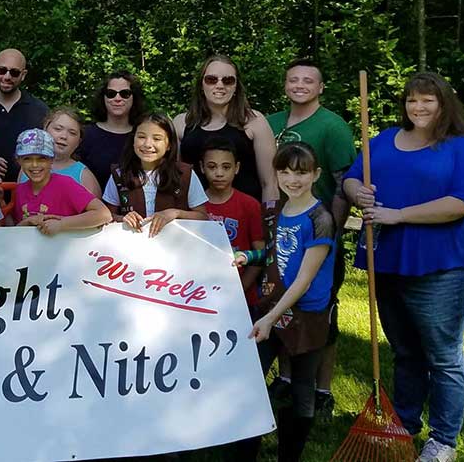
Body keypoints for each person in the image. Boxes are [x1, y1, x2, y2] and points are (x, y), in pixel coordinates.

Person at [343, 72, 464, 462]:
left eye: (428, 100)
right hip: (388, 259)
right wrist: (355, 191)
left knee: (443, 356)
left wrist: (399, 215)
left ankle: (443, 440)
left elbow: (463, 203)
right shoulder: (383, 141)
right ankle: (406, 424)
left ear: (445, 103)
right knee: (406, 351)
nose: (419, 107)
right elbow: (350, 177)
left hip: (441, 265)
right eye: (412, 100)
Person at [233, 142, 335, 462]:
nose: (292, 179)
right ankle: (245, 450)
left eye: (301, 173)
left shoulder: (321, 219)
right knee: (251, 379)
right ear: (276, 173)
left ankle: (289, 455)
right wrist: (247, 255)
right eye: (285, 171)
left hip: (306, 315)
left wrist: (270, 318)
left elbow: (304, 280)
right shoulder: (277, 210)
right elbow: (273, 253)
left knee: (303, 389)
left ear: (315, 175)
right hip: (272, 308)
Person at [266, 59, 356, 415]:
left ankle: (322, 388)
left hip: (316, 231)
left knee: (321, 312)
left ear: (320, 87)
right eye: (293, 79)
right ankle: (287, 378)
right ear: (285, 84)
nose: (300, 85)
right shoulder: (271, 123)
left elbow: (342, 185)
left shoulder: (332, 126)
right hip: (282, 226)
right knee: (286, 306)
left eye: (309, 80)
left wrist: (328, 230)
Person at [174, 54, 278, 202]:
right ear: (201, 85)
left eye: (228, 80)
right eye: (211, 79)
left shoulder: (254, 121)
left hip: (245, 216)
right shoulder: (181, 123)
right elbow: (174, 180)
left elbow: (270, 183)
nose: (220, 85)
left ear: (236, 86)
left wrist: (269, 220)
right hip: (196, 218)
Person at [105, 112, 209, 236]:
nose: (148, 144)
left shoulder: (185, 174)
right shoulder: (120, 174)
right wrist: (123, 219)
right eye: (142, 137)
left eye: (157, 138)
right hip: (131, 245)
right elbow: (107, 216)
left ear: (169, 144)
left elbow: (202, 217)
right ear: (133, 140)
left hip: (174, 246)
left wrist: (176, 213)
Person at [202, 136, 265, 309]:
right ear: (202, 167)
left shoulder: (250, 205)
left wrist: (240, 289)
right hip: (200, 293)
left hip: (243, 297)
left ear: (236, 168)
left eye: (226, 167)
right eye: (212, 167)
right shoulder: (195, 205)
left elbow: (260, 254)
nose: (219, 173)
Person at [10, 128, 110, 234]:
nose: (35, 164)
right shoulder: (18, 191)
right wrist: (26, 222)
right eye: (27, 159)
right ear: (19, 161)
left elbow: (104, 214)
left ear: (51, 160)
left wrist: (62, 224)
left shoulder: (65, 184)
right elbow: (12, 231)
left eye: (42, 158)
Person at [0, 48, 48, 180]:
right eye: (2, 70)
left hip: (29, 190)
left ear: (23, 75)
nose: (7, 77)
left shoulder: (40, 111)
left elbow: (49, 153)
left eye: (14, 72)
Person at [77, 70, 146, 191]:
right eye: (111, 93)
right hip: (93, 206)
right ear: (103, 97)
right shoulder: (86, 135)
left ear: (134, 97)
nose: (117, 98)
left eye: (125, 93)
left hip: (138, 207)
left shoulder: (143, 135)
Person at [18, 108, 102, 196]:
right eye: (58, 129)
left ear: (78, 142)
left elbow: (97, 209)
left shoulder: (84, 177)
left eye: (72, 133)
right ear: (45, 130)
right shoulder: (27, 166)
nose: (64, 136)